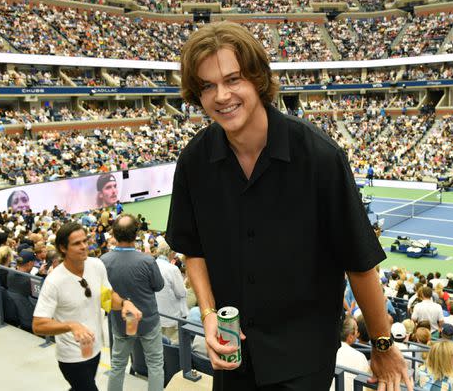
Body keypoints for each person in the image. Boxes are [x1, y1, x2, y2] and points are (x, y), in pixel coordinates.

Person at [167, 21, 411, 390]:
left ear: (257, 79)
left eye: (233, 79)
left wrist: (382, 344)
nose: (221, 95)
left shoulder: (320, 157)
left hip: (303, 357)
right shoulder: (193, 161)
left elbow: (358, 261)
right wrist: (208, 313)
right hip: (233, 354)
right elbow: (194, 248)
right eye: (207, 86)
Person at [32, 222, 142, 391]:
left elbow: (106, 298)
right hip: (71, 356)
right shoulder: (54, 281)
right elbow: (38, 325)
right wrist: (71, 325)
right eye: (77, 243)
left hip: (94, 349)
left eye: (85, 241)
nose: (84, 247)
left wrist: (124, 303)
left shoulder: (96, 265)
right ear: (63, 248)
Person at [101, 214, 165, 391]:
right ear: (135, 234)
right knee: (155, 365)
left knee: (118, 365)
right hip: (148, 322)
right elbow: (158, 286)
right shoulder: (147, 260)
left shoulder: (104, 261)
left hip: (121, 323)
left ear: (114, 233)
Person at [155, 243, 188, 344]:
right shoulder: (172, 269)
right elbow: (181, 293)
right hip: (172, 316)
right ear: (171, 253)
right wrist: (185, 283)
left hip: (157, 314)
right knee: (173, 346)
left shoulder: (152, 264)